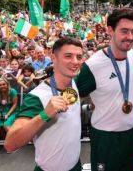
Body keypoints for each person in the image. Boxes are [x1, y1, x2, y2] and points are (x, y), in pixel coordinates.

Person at [76, 8, 133, 171]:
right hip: (105, 137)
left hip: (131, 133)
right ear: (110, 30)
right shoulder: (93, 65)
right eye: (124, 31)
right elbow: (75, 97)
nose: (131, 37)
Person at [4, 37, 83, 171]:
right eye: (68, 56)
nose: (75, 62)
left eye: (79, 57)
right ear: (53, 57)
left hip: (75, 165)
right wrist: (44, 115)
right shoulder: (37, 96)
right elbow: (10, 144)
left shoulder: (73, 82)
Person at [0, 78, 19, 155]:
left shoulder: (12, 91)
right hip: (1, 112)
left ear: (7, 84)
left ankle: (10, 145)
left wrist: (8, 114)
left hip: (12, 111)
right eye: (0, 85)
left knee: (6, 125)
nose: (2, 86)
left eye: (4, 84)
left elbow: (15, 104)